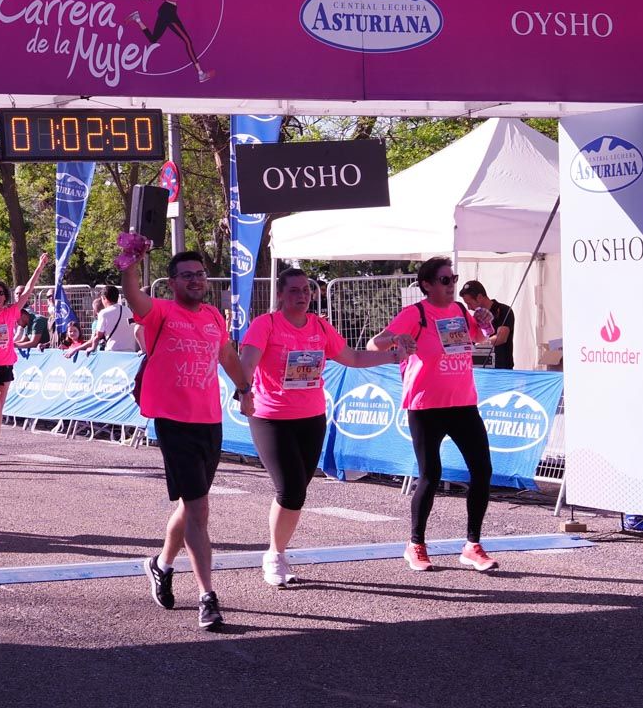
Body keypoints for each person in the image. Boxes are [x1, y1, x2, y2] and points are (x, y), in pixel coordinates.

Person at [238, 268, 411, 587]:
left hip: (312, 417)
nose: (302, 296)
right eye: (294, 290)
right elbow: (247, 361)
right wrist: (244, 390)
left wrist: (392, 356)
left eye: (306, 290)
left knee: (298, 492)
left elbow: (352, 358)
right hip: (271, 417)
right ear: (280, 294)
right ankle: (275, 556)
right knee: (290, 489)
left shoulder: (319, 326)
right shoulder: (267, 324)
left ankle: (276, 551)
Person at [123, 249, 252, 631]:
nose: (196, 280)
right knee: (198, 510)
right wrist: (130, 260)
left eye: (200, 274)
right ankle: (207, 597)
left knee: (192, 505)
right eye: (187, 275)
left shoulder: (213, 316)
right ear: (172, 282)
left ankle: (161, 565)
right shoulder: (161, 311)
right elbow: (132, 294)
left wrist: (244, 388)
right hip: (174, 423)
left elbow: (227, 355)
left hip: (209, 421)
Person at [368, 256, 500, 573]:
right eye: (444, 280)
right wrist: (396, 339)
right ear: (427, 285)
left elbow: (480, 337)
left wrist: (485, 321)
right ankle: (416, 544)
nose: (451, 285)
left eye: (453, 279)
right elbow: (374, 344)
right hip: (426, 406)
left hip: (463, 403)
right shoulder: (415, 313)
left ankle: (472, 545)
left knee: (482, 470)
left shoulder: (459, 311)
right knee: (431, 475)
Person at [0, 253, 50, 464]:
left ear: (5, 296)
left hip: (5, 364)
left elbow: (29, 290)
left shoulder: (12, 312)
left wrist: (39, 267)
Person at [128, 0, 213, 82]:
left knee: (153, 39)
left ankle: (137, 19)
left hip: (170, 10)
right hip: (167, 10)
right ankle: (200, 73)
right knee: (187, 40)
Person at [459, 280, 515, 370]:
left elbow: (501, 337)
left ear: (479, 297)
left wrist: (480, 344)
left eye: (469, 303)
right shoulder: (474, 317)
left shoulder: (503, 310)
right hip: (479, 369)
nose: (469, 308)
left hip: (501, 369)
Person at [91, 284, 137, 352]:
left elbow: (98, 336)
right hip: (130, 351)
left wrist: (92, 347)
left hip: (113, 351)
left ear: (104, 298)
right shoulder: (128, 310)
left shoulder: (103, 313)